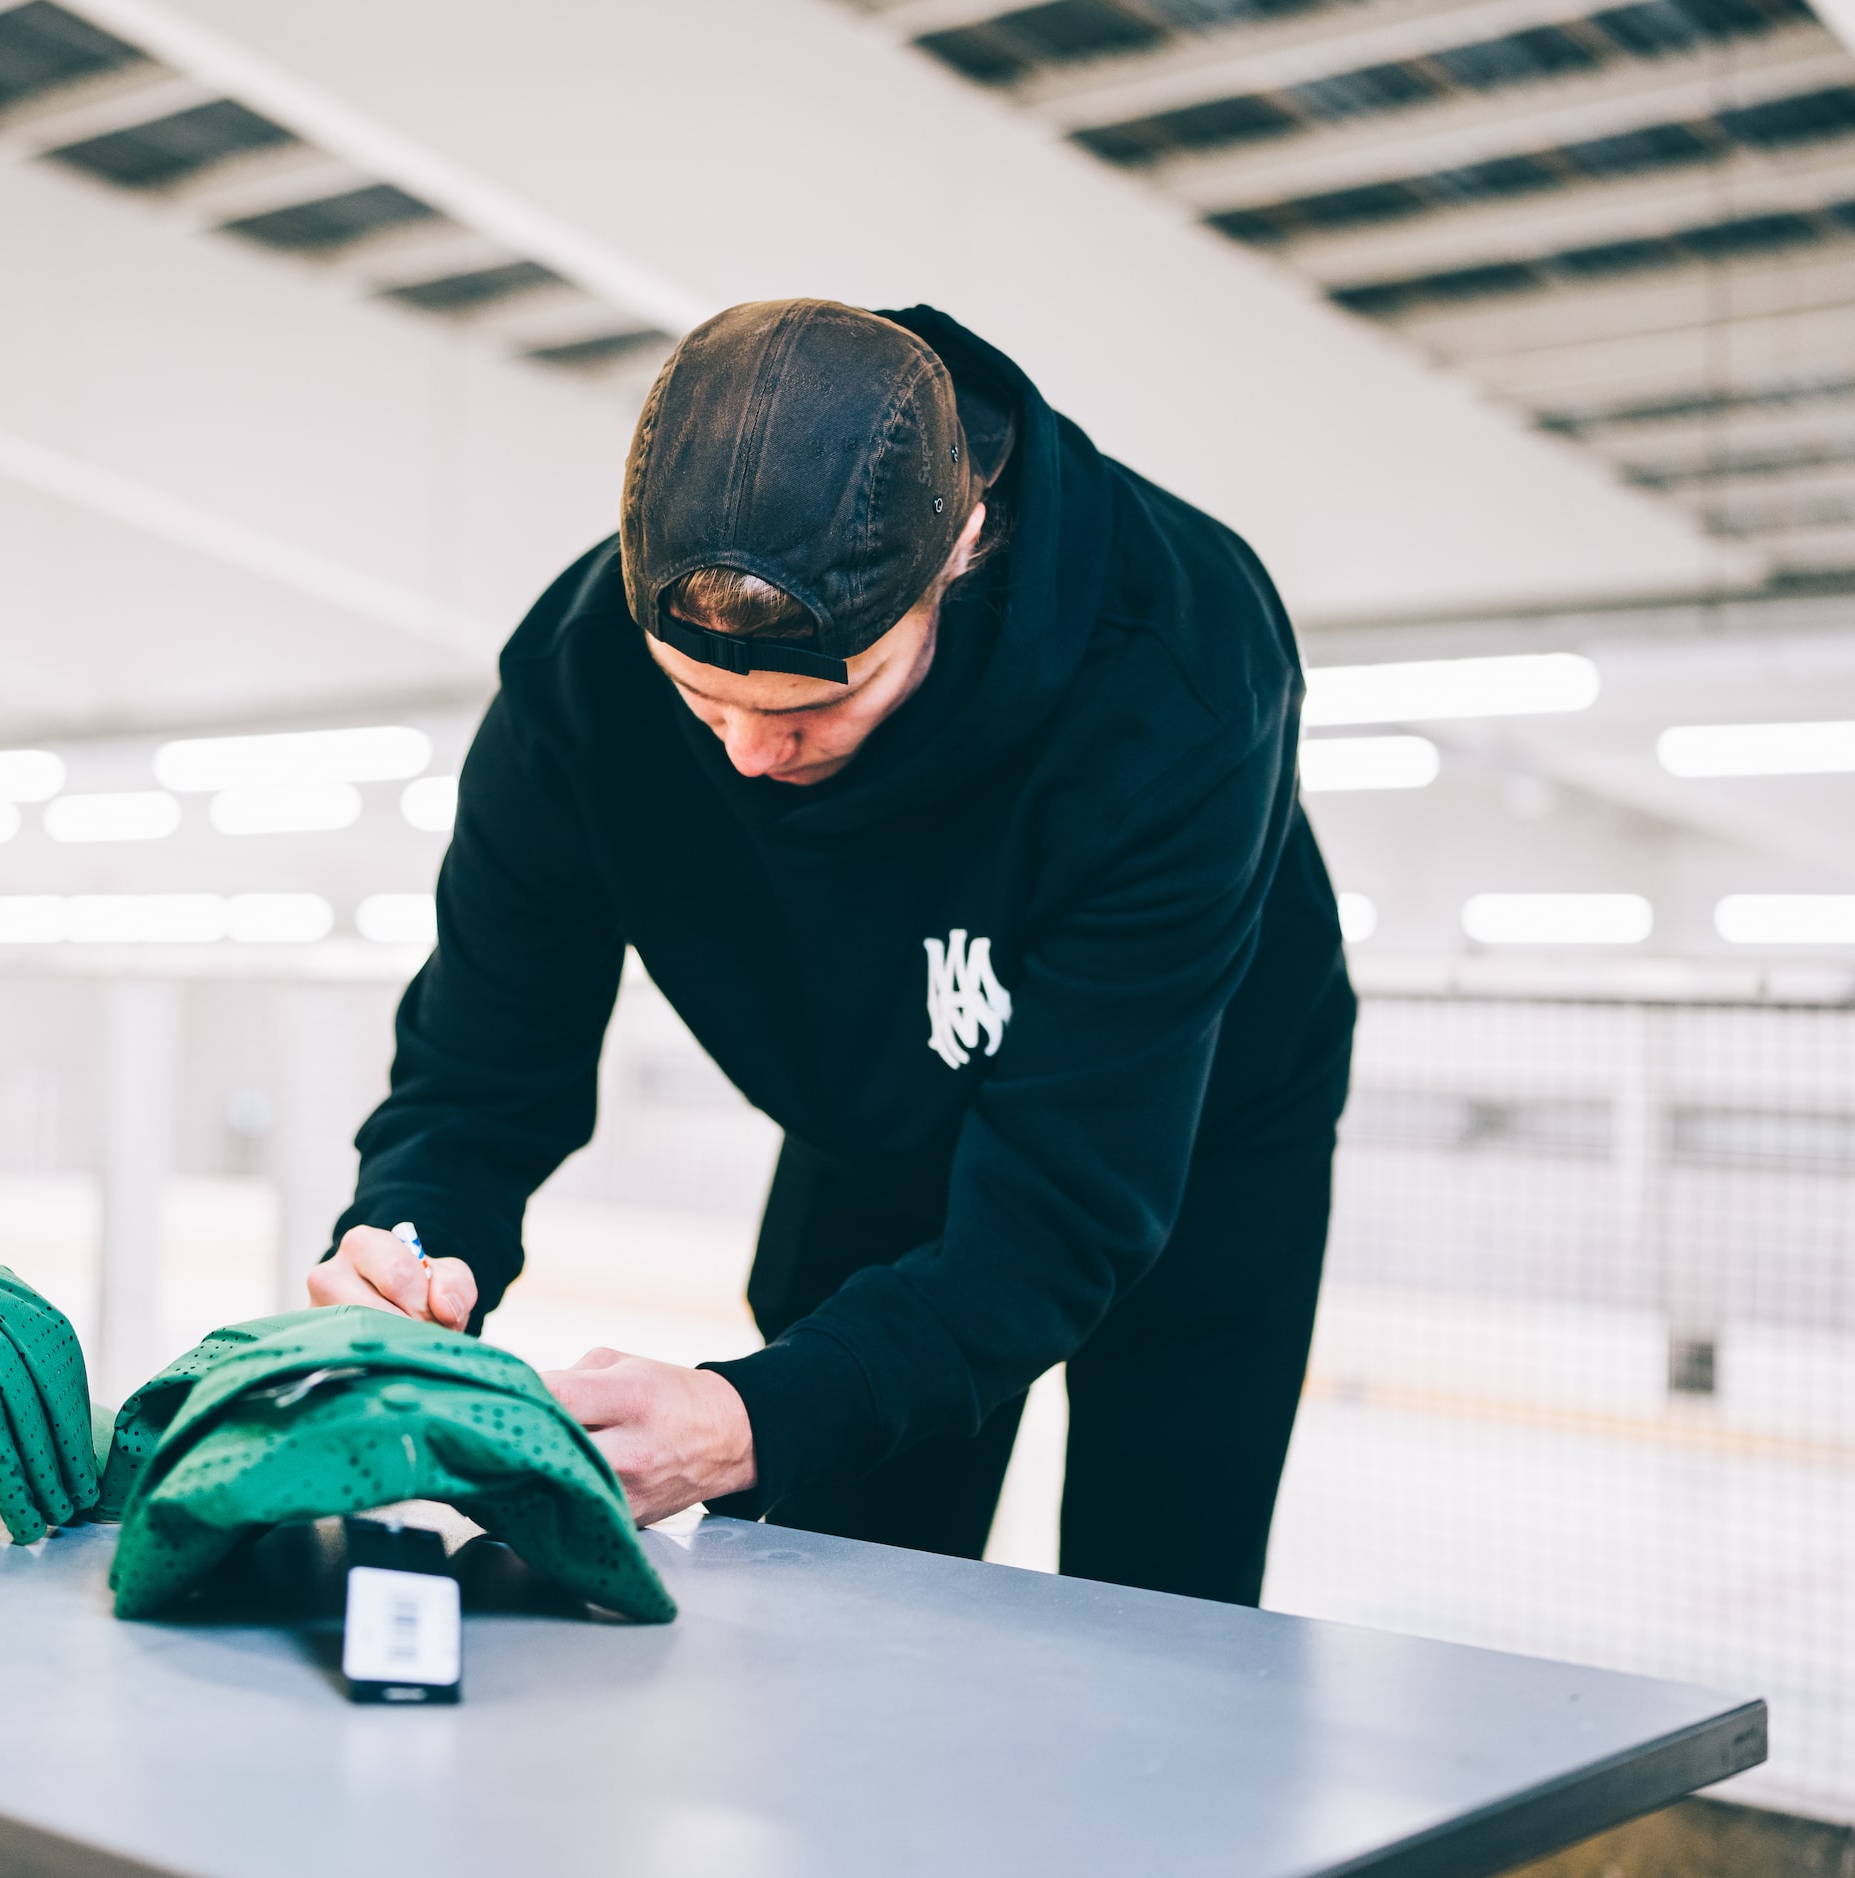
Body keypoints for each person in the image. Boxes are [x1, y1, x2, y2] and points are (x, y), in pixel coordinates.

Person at [308, 299, 1355, 1606]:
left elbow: (1056, 1214)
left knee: (1166, 1587)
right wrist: (411, 1240)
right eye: (701, 704)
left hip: (1189, 1123)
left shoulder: (1175, 665)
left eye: (818, 705)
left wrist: (740, 1417)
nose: (748, 755)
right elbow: (478, 1067)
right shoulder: (579, 679)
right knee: (839, 1561)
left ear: (960, 548)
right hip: (875, 1111)